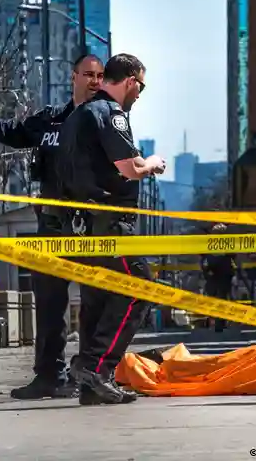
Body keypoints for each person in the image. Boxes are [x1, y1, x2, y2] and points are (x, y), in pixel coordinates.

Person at [0, 53, 104, 400]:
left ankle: (91, 375)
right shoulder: (50, 120)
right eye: (88, 74)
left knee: (95, 302)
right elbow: (12, 134)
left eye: (100, 76)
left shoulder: (105, 119)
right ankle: (49, 376)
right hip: (52, 225)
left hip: (92, 226)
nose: (94, 81)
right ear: (74, 77)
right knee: (49, 302)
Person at [56, 53, 166, 406]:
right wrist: (152, 163)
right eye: (140, 87)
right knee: (138, 286)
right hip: (110, 225)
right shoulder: (110, 113)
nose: (139, 95)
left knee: (98, 299)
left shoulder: (78, 116)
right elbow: (129, 169)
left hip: (82, 226)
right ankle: (96, 367)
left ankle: (91, 385)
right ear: (131, 81)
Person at [200, 223, 238, 332]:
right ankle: (216, 322)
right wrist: (206, 270)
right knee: (215, 298)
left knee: (221, 298)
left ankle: (219, 323)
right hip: (214, 275)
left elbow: (233, 257)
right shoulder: (209, 245)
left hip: (222, 275)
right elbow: (204, 259)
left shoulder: (228, 245)